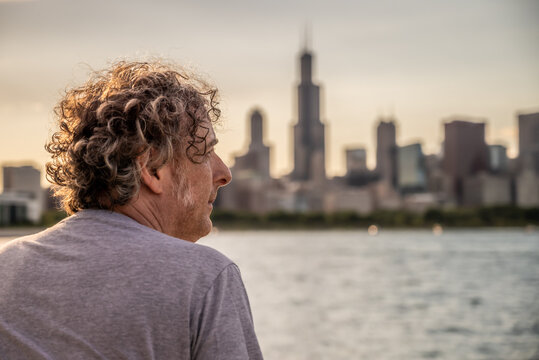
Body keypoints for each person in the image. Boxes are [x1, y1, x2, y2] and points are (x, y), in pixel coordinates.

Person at [0, 60, 264, 359]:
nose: (225, 172)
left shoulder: (6, 267)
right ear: (152, 168)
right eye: (205, 152)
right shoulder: (205, 277)